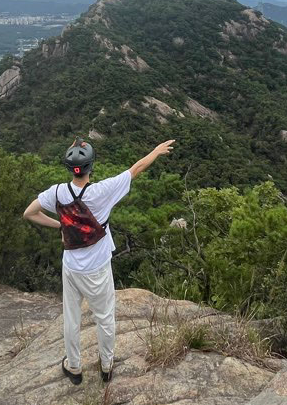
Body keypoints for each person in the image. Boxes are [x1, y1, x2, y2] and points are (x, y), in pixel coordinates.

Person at [23, 137, 175, 384]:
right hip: (98, 267)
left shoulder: (57, 193)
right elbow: (136, 169)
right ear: (91, 167)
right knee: (104, 317)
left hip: (71, 266)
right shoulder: (102, 191)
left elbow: (29, 213)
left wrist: (60, 224)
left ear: (68, 168)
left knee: (71, 318)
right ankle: (106, 365)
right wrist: (156, 151)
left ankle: (74, 366)